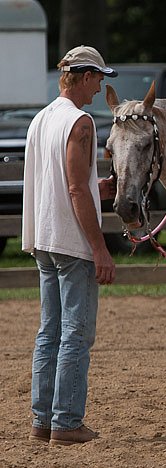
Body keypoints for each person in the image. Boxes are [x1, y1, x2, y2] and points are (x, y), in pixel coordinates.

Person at [22, 45, 118, 446]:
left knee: (49, 331)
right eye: (97, 77)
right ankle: (67, 422)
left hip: (44, 236)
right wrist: (99, 248)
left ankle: (41, 419)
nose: (100, 86)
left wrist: (98, 190)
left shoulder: (41, 119)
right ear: (82, 77)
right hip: (71, 241)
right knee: (76, 334)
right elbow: (75, 189)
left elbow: (60, 183)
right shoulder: (80, 123)